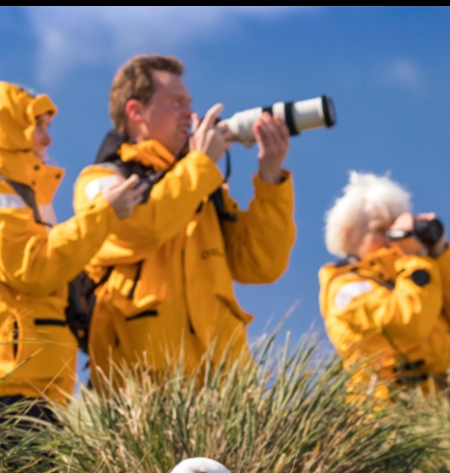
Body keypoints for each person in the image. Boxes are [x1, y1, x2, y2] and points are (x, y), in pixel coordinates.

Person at [72, 54, 295, 391]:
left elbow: (262, 265)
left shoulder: (203, 188)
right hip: (140, 397)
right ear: (136, 112)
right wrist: (200, 165)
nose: (190, 116)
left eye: (190, 104)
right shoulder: (101, 179)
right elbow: (137, 230)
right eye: (176, 103)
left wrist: (270, 176)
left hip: (226, 393)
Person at [0, 81, 144, 420]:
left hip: (28, 395)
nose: (48, 140)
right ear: (9, 129)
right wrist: (105, 214)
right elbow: (35, 267)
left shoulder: (18, 198)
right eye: (37, 126)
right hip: (2, 398)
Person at [318, 171, 450, 405]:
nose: (392, 241)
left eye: (395, 229)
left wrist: (440, 254)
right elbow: (407, 324)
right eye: (381, 230)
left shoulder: (417, 271)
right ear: (348, 235)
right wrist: (417, 258)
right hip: (391, 425)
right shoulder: (344, 287)